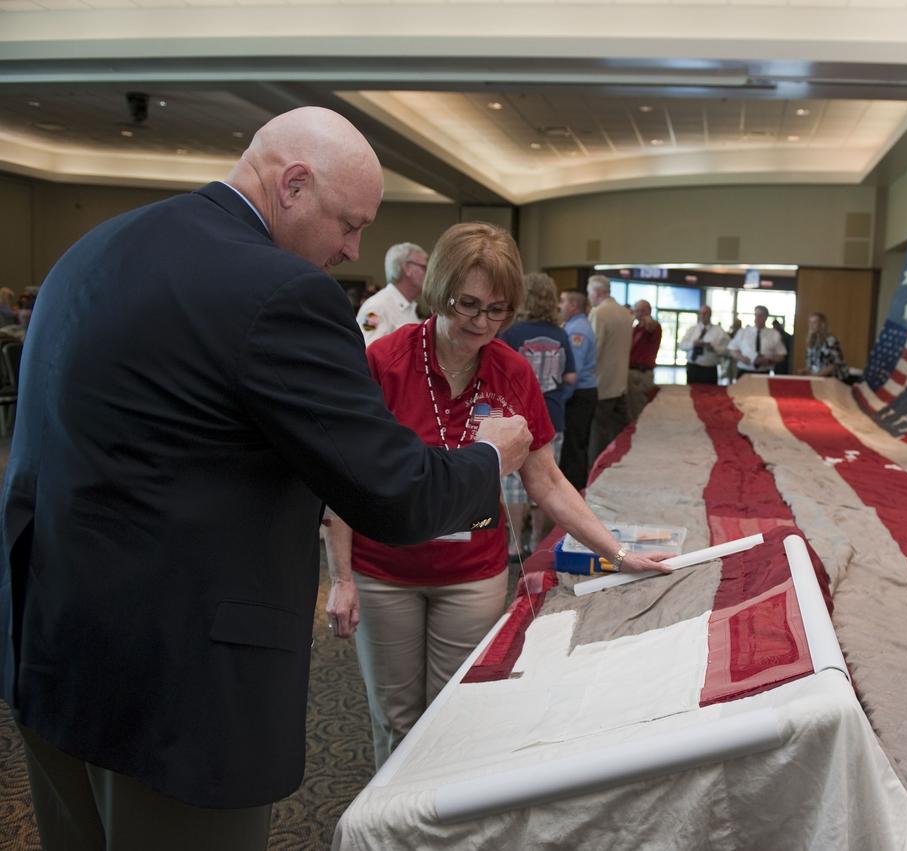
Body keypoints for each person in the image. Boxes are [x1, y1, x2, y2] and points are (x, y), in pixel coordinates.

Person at [0, 107, 532, 850]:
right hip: (178, 689)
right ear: (292, 185)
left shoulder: (95, 248)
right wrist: (490, 456)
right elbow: (395, 492)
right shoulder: (278, 292)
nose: (352, 249)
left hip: (52, 652)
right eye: (348, 223)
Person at [323, 224, 670, 768]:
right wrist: (341, 578)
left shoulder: (512, 372)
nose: (482, 325)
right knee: (394, 717)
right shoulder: (384, 363)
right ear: (437, 291)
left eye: (498, 311)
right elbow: (343, 479)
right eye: (468, 306)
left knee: (453, 716)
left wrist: (619, 552)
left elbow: (549, 482)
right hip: (385, 571)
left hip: (471, 574)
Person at [500, 272, 577, 557]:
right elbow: (570, 376)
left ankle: (514, 543)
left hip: (516, 419)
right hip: (552, 416)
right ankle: (536, 541)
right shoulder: (561, 334)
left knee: (512, 484)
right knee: (545, 480)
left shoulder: (511, 333)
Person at [586, 275, 633, 466]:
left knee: (598, 432)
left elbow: (594, 350)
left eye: (589, 293)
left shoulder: (599, 313)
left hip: (601, 382)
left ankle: (596, 469)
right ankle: (619, 464)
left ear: (596, 293)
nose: (589, 298)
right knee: (618, 430)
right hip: (620, 381)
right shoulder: (624, 313)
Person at [558, 288, 597, 491]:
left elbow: (574, 370)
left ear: (573, 306)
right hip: (582, 393)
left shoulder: (577, 330)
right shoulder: (575, 326)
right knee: (576, 445)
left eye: (563, 301)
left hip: (578, 395)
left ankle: (573, 491)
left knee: (573, 446)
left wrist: (561, 399)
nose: (559, 305)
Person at [359, 241, 428, 345]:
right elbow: (368, 353)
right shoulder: (377, 307)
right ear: (407, 268)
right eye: (424, 267)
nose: (428, 274)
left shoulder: (409, 307)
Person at [727, 305, 787, 378]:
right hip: (744, 371)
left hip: (764, 373)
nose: (757, 318)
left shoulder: (774, 334)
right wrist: (741, 358)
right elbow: (732, 349)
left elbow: (781, 355)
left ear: (766, 317)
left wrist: (769, 360)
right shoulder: (743, 332)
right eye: (756, 315)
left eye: (761, 315)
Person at [626, 298, 662, 420]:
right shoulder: (635, 328)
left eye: (642, 311)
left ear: (649, 312)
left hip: (641, 373)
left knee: (639, 408)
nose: (639, 313)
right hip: (630, 372)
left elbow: (651, 325)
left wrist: (648, 319)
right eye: (636, 311)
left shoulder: (653, 327)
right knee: (630, 408)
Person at [678, 304, 729, 385]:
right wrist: (693, 344)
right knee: (691, 393)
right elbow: (681, 345)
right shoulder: (692, 329)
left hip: (709, 370)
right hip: (693, 368)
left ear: (710, 314)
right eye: (701, 313)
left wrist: (713, 348)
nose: (703, 315)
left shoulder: (719, 331)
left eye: (705, 313)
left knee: (710, 394)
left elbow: (727, 350)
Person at [803, 311, 854, 382]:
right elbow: (812, 365)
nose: (811, 325)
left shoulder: (830, 341)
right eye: (810, 322)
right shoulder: (811, 343)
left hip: (834, 380)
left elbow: (834, 365)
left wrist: (815, 376)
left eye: (814, 322)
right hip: (818, 379)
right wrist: (806, 371)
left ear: (821, 325)